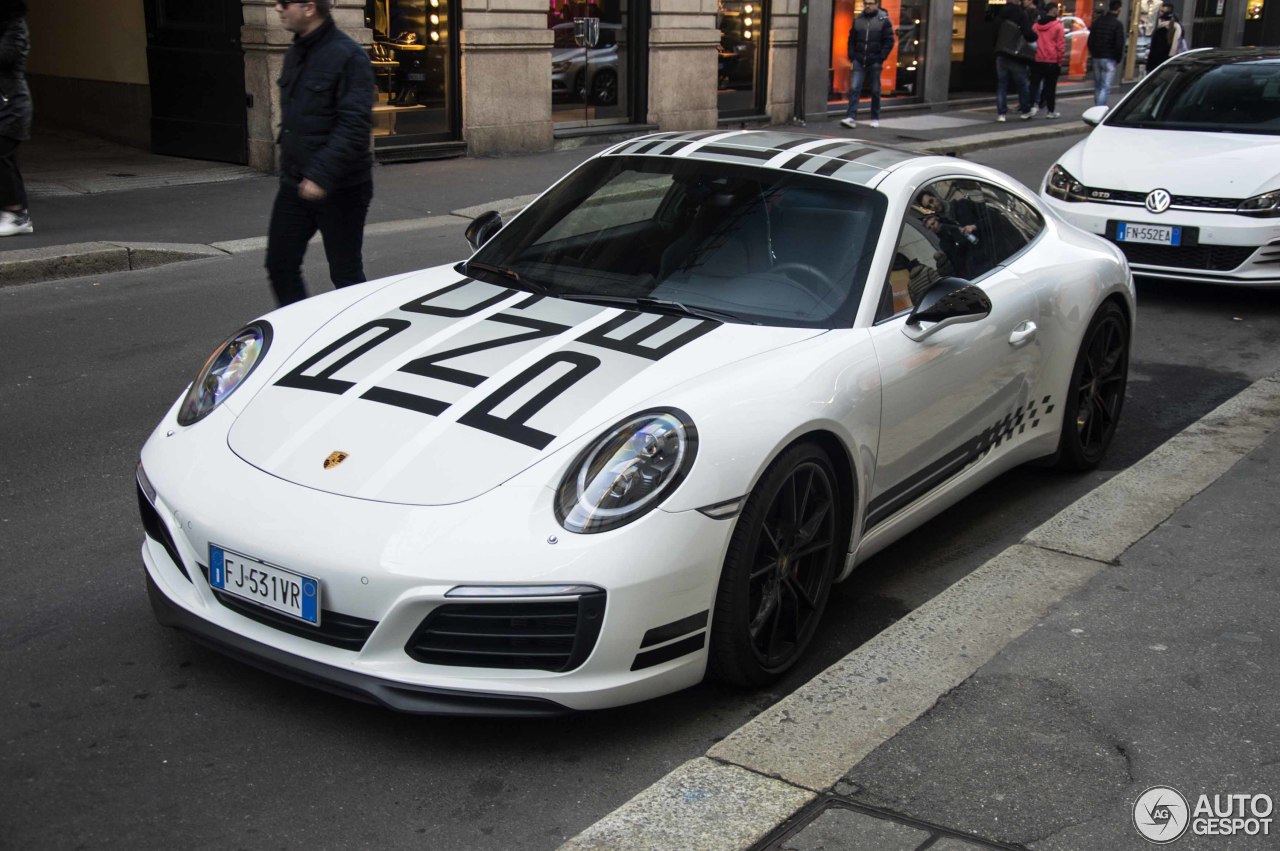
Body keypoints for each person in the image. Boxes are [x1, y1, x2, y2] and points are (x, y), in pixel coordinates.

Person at [266, 0, 375, 307]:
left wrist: (320, 175)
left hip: (341, 186)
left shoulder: (348, 56)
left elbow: (355, 126)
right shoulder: (296, 52)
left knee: (346, 274)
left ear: (309, 7)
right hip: (295, 181)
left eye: (285, 3)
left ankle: (358, 338)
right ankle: (298, 332)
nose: (278, 8)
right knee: (280, 264)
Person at [0, 0, 32, 238]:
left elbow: (8, 57)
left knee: (3, 157)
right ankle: (14, 213)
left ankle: (16, 214)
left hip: (12, 106)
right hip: (6, 104)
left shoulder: (15, 27)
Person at [839, 0, 895, 130]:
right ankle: (851, 117)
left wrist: (880, 58)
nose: (868, 6)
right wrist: (852, 56)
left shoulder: (883, 19)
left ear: (876, 4)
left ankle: (875, 118)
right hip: (859, 60)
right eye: (866, 3)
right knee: (855, 88)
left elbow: (889, 41)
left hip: (874, 60)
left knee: (875, 90)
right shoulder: (858, 19)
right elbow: (851, 39)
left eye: (870, 3)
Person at [993, 0, 1039, 122]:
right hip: (1016, 55)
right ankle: (1025, 111)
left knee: (1002, 84)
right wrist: (1035, 37)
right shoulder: (1020, 14)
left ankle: (1001, 114)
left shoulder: (1000, 13)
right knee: (1022, 84)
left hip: (1001, 53)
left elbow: (994, 33)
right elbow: (1029, 34)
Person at [1087, 0, 1126, 107]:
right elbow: (1119, 44)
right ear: (1118, 9)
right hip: (1109, 58)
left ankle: (1097, 108)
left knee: (1098, 86)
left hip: (1097, 57)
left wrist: (1093, 53)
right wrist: (1118, 58)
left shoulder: (1098, 22)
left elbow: (1090, 41)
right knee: (1105, 87)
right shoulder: (1117, 24)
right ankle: (1099, 109)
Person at [1031, 2, 1066, 118]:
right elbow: (1060, 45)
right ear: (1054, 11)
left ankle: (1031, 107)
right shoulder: (1058, 26)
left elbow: (1032, 41)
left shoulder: (1036, 26)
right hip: (1052, 60)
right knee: (1050, 87)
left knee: (1034, 85)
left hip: (1038, 59)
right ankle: (1050, 111)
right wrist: (1060, 60)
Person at [1146, 2, 1183, 72]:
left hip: (1160, 64)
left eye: (1162, 11)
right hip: (1164, 64)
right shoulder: (1176, 27)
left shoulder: (1164, 29)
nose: (1160, 13)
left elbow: (1156, 50)